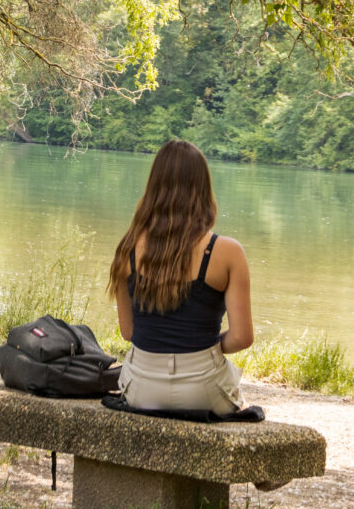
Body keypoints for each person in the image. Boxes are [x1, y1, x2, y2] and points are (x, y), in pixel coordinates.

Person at [108, 138, 255, 416]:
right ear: (203, 189)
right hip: (204, 390)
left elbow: (129, 332)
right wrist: (208, 349)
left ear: (153, 188)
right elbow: (242, 338)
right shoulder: (226, 252)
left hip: (141, 387)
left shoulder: (127, 249)